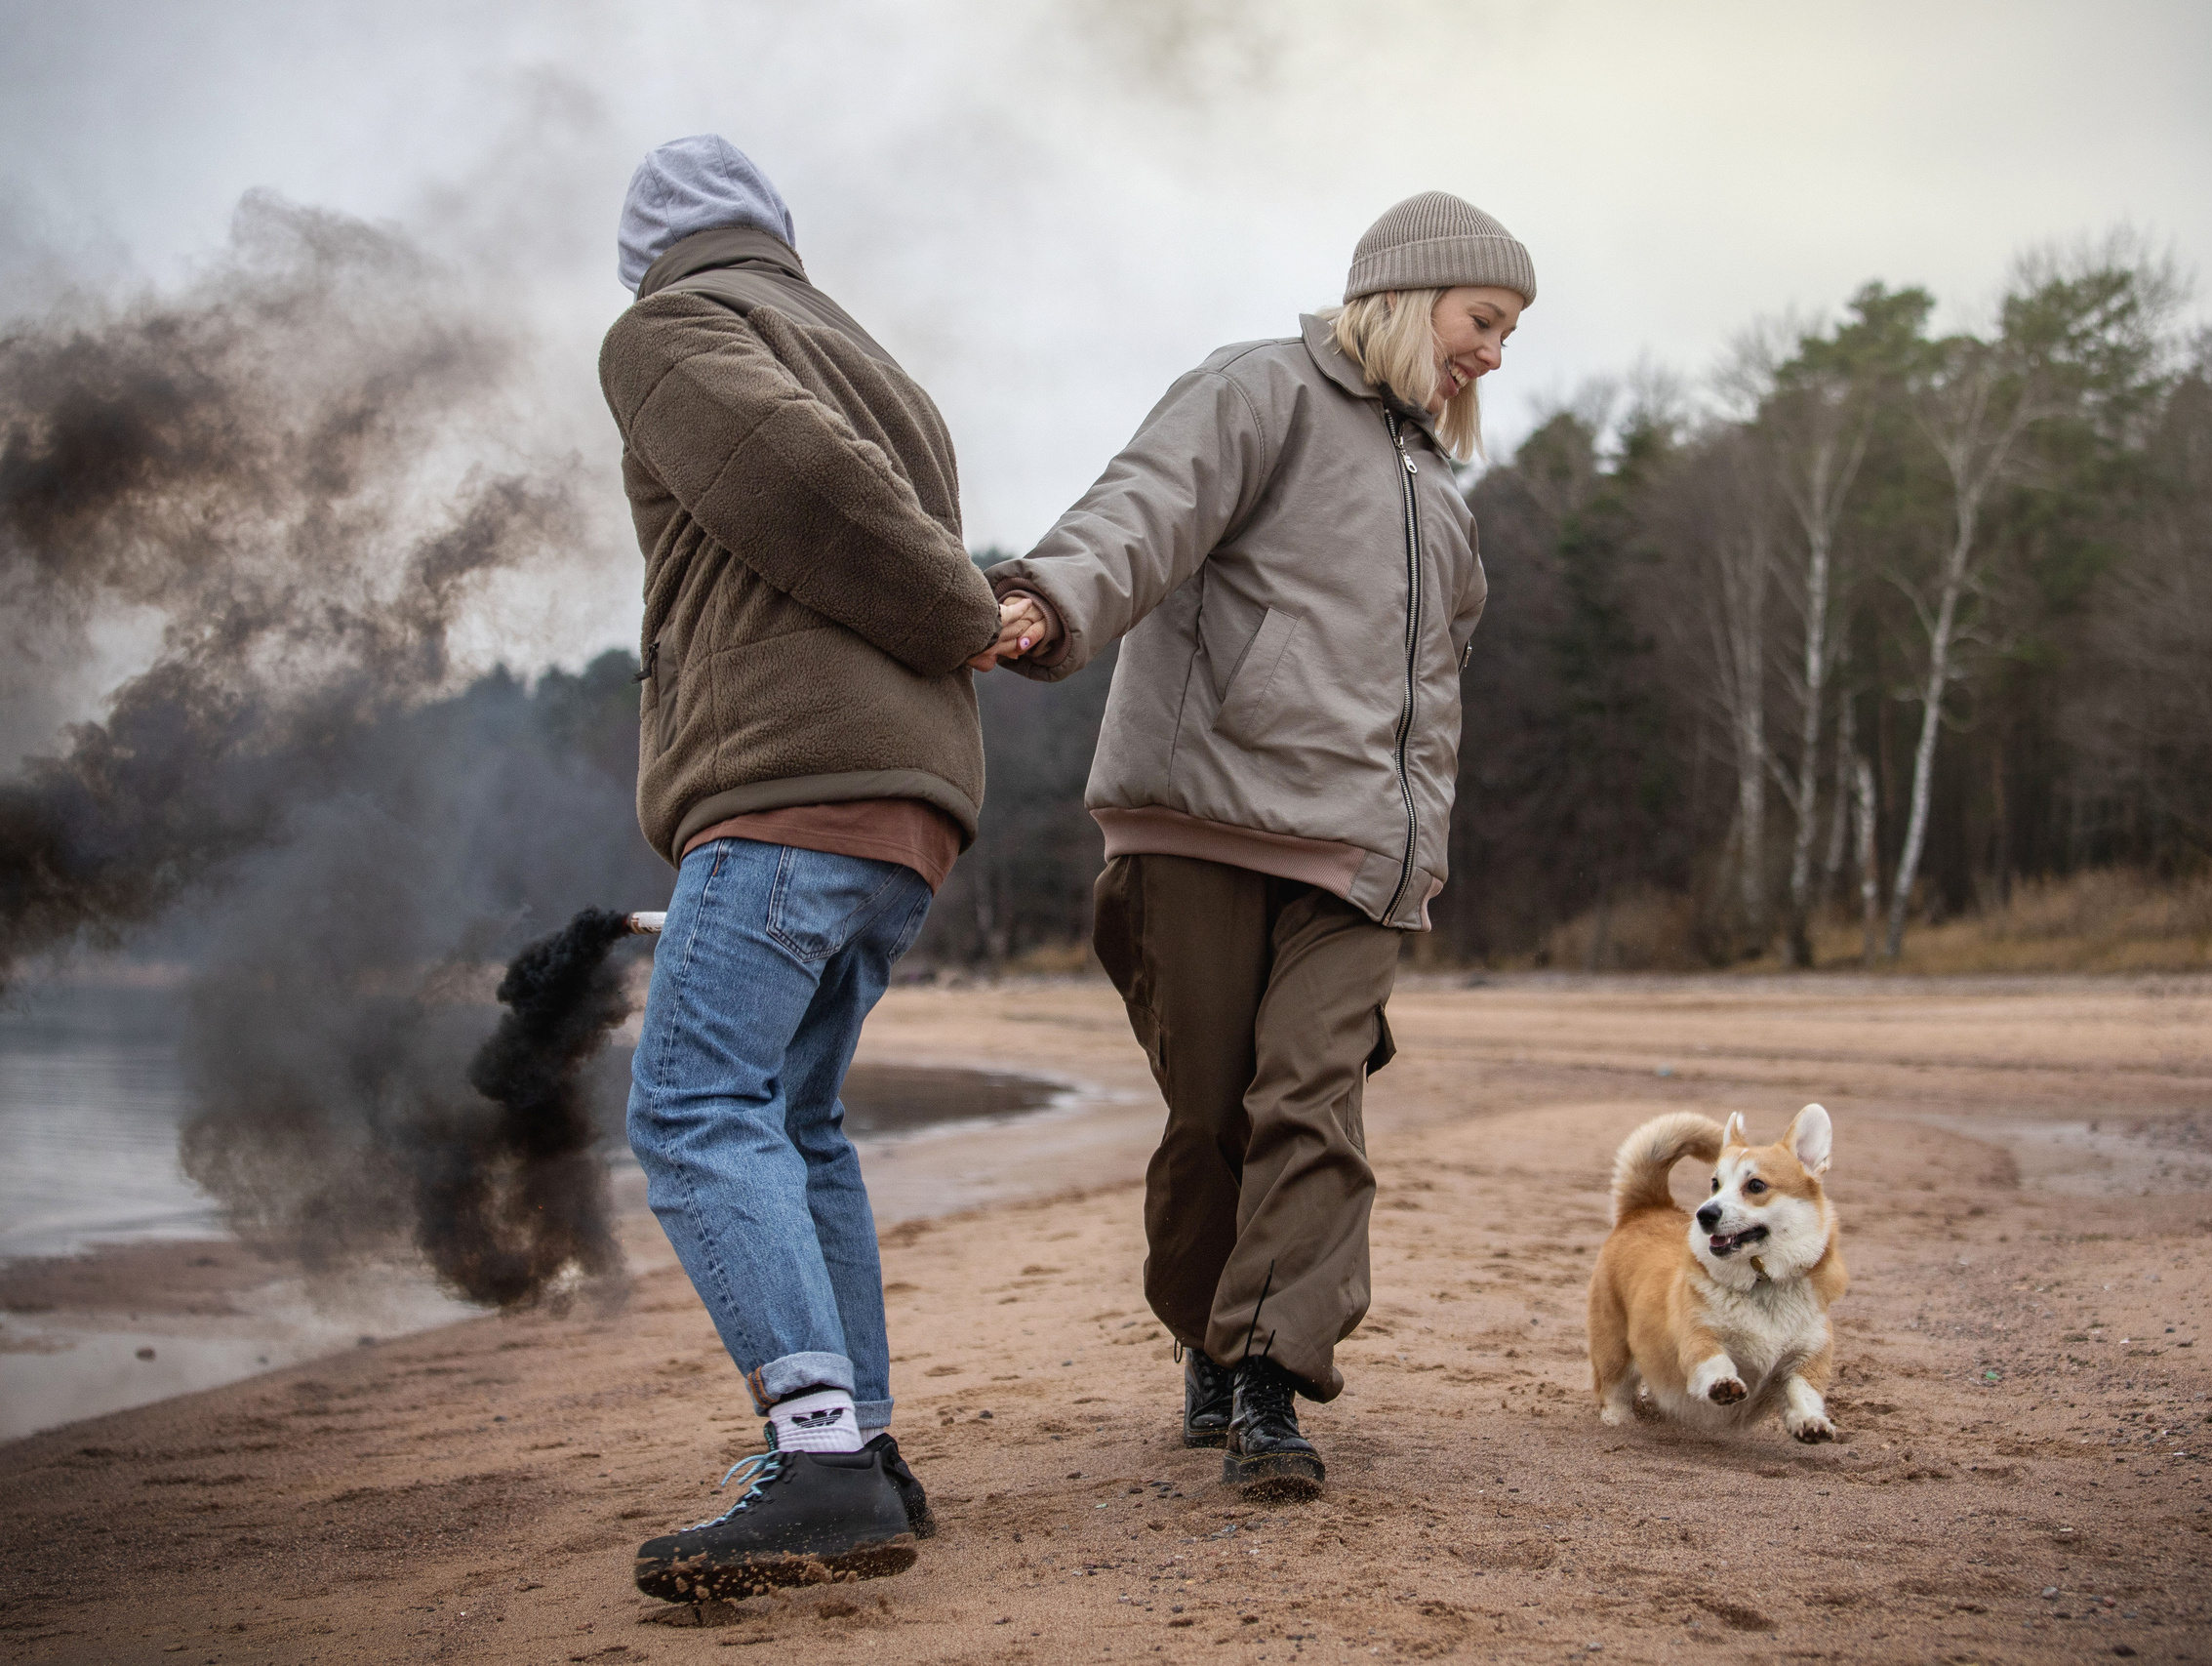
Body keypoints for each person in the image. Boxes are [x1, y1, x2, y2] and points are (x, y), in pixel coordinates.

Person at [984, 191, 1531, 1499]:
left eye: (1512, 333)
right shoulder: (1260, 392)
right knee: (1210, 1119)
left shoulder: (1444, 499)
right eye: (1484, 320)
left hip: (1360, 864)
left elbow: (1434, 697)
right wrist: (1046, 599)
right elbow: (1143, 510)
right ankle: (1210, 1338)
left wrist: (1421, 847)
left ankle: (1272, 1387)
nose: (1497, 354)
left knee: (1311, 1109)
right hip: (1205, 824)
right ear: (1407, 295)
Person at [597, 135, 1031, 1599]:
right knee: (798, 1116)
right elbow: (858, 481)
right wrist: (961, 615)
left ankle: (824, 1454)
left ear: (648, 249)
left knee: (694, 1105)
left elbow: (807, 484)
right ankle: (872, 1449)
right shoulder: (864, 349)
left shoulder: (668, 329)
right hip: (906, 806)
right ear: (776, 232)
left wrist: (959, 608)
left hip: (791, 784)